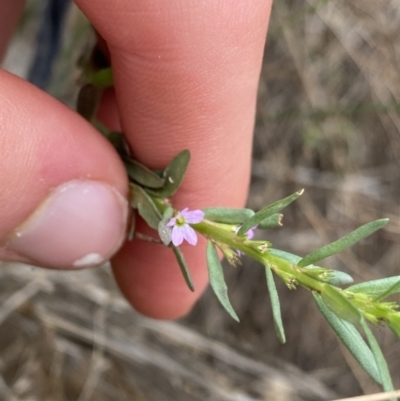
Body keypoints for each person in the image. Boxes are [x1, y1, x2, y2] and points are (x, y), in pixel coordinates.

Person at [0, 0, 273, 319]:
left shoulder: (181, 219)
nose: (181, 220)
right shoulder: (181, 216)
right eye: (182, 220)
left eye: (180, 221)